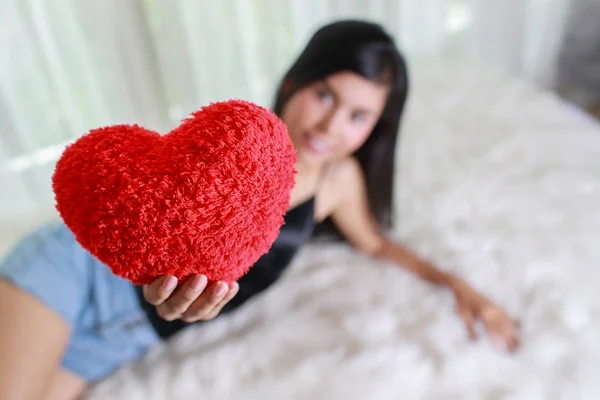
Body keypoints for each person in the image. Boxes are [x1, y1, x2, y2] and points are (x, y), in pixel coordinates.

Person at [0, 20, 519, 400]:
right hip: (76, 270)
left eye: (359, 116)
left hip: (129, 335)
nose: (332, 126)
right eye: (324, 95)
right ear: (294, 83)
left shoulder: (339, 181)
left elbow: (378, 244)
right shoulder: (234, 146)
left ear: (375, 128)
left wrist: (461, 287)